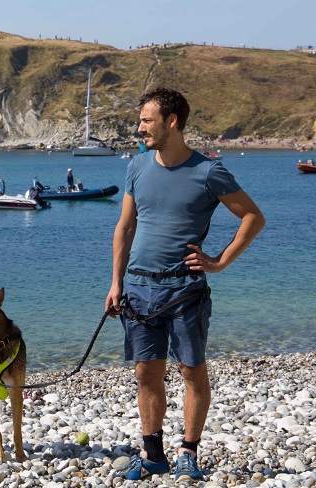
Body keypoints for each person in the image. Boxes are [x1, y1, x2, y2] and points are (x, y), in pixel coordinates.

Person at [106, 87, 265, 482]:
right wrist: (115, 282)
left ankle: (188, 452)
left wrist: (221, 261)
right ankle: (154, 454)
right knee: (146, 373)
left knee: (191, 372)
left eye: (146, 120)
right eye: (140, 119)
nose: (139, 127)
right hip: (138, 290)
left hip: (184, 291)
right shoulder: (137, 167)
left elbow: (253, 218)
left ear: (171, 121)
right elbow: (125, 227)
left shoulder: (209, 171)